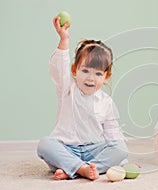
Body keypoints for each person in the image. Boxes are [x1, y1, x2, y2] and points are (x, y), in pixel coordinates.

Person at [37, 16, 128, 181]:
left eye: (98, 73)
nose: (91, 78)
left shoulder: (106, 102)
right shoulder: (67, 88)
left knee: (121, 149)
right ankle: (81, 168)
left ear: (106, 76)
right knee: (45, 144)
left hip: (94, 149)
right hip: (66, 149)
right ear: (74, 69)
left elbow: (113, 134)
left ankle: (75, 169)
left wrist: (122, 158)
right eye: (85, 71)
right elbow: (59, 67)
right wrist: (64, 39)